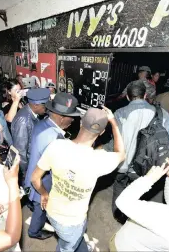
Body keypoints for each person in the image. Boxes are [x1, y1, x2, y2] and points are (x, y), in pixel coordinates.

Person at [32, 107, 126, 252]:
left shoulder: (56, 146)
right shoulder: (99, 160)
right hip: (72, 222)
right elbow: (121, 154)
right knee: (67, 247)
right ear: (101, 132)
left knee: (71, 239)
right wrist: (113, 122)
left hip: (51, 211)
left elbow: (35, 178)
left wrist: (44, 194)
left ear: (81, 122)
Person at [103, 80, 169, 222]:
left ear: (128, 97)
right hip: (147, 165)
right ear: (145, 94)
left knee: (119, 186)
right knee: (140, 189)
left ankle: (119, 216)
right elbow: (168, 141)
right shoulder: (162, 114)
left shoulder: (121, 113)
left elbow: (116, 140)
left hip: (123, 163)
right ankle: (132, 217)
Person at [25, 93, 82, 240]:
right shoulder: (55, 138)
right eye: (72, 116)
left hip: (33, 172)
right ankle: (34, 231)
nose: (74, 119)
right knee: (41, 209)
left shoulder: (43, 123)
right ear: (62, 117)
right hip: (42, 183)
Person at [10, 88, 50, 186]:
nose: (47, 109)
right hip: (26, 168)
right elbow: (20, 151)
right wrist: (26, 174)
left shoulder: (32, 113)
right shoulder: (23, 121)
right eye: (45, 106)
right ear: (36, 105)